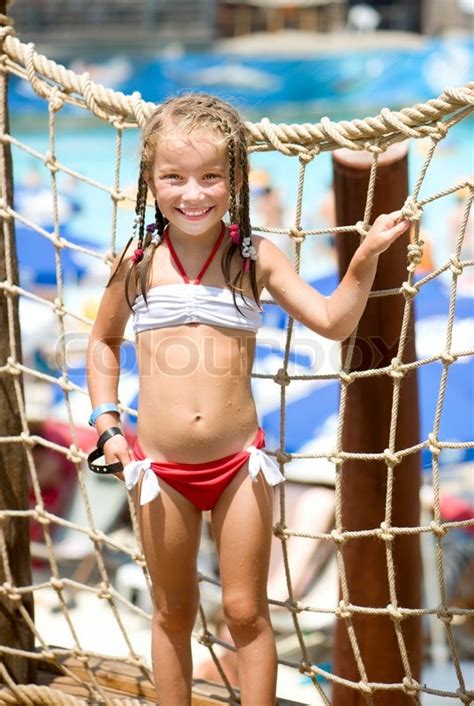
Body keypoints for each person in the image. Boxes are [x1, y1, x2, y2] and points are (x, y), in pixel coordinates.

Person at [86, 93, 410, 706]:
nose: (194, 193)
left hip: (239, 466)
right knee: (172, 614)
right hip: (159, 472)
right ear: (149, 182)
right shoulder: (137, 264)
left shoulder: (253, 259)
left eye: (212, 177)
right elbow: (102, 342)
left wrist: (364, 258)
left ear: (237, 179)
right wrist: (107, 425)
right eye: (174, 178)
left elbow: (335, 323)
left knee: (246, 613)